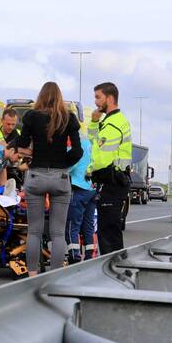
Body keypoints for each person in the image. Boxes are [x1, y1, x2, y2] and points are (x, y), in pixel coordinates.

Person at [15, 82, 82, 273]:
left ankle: (32, 274)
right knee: (58, 233)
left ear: (41, 96)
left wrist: (33, 156)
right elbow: (78, 151)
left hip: (36, 175)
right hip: (60, 177)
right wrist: (62, 162)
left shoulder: (31, 116)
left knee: (34, 231)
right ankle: (55, 275)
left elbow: (21, 144)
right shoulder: (68, 118)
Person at [88, 81, 132, 256]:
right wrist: (93, 122)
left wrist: (88, 170)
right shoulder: (110, 121)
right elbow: (94, 144)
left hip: (112, 180)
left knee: (108, 231)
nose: (96, 102)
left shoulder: (113, 125)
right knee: (109, 229)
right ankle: (116, 266)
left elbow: (101, 158)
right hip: (115, 180)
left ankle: (113, 269)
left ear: (110, 98)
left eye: (98, 97)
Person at [66, 123, 97, 264]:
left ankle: (74, 256)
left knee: (73, 224)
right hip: (91, 187)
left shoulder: (76, 143)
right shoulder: (90, 141)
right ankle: (90, 255)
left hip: (78, 186)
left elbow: (71, 164)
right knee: (88, 224)